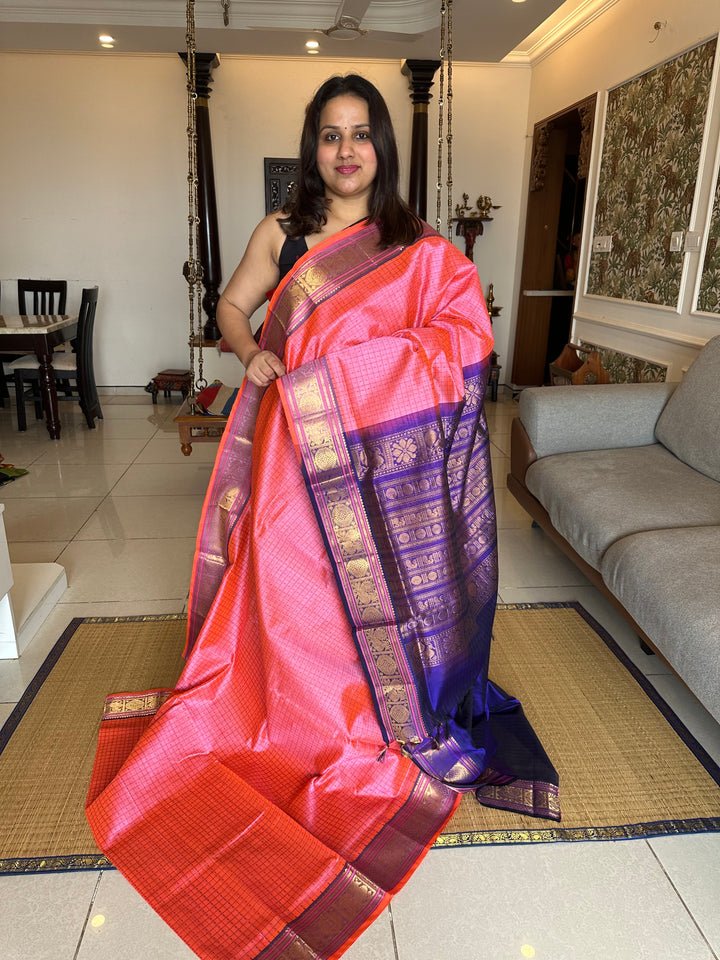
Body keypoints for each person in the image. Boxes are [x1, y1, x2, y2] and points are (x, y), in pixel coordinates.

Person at [86, 74, 559, 960]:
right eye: (330, 136)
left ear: (384, 145)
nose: (346, 152)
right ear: (313, 148)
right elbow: (229, 308)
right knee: (288, 590)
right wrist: (253, 354)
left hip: (377, 468)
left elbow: (466, 341)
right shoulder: (285, 233)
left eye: (361, 135)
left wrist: (359, 376)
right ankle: (286, 717)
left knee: (361, 603)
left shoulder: (418, 247)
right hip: (289, 453)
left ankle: (368, 721)